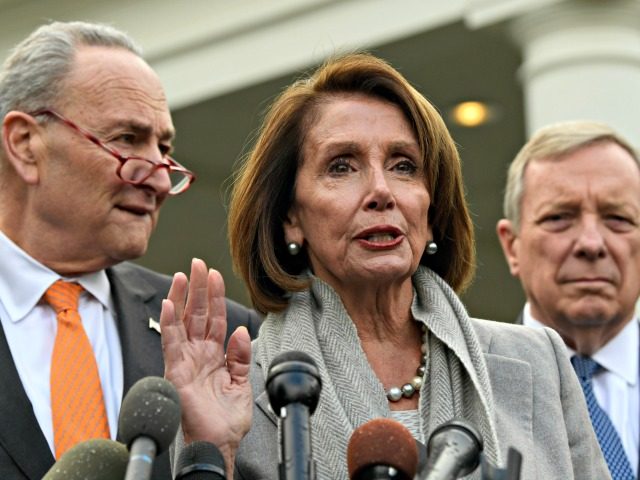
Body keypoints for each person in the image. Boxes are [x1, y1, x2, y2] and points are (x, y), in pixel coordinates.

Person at [161, 53, 610, 479]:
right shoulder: (237, 392)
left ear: (431, 213)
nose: (381, 190)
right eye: (342, 166)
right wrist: (212, 449)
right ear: (289, 218)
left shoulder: (537, 361)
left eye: (403, 166)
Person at [0, 21, 261, 480]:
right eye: (127, 139)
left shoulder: (224, 339)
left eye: (164, 148)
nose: (161, 179)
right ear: (25, 144)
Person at [496, 121, 640, 480]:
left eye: (618, 219)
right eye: (559, 218)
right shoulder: (466, 390)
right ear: (512, 246)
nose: (591, 243)